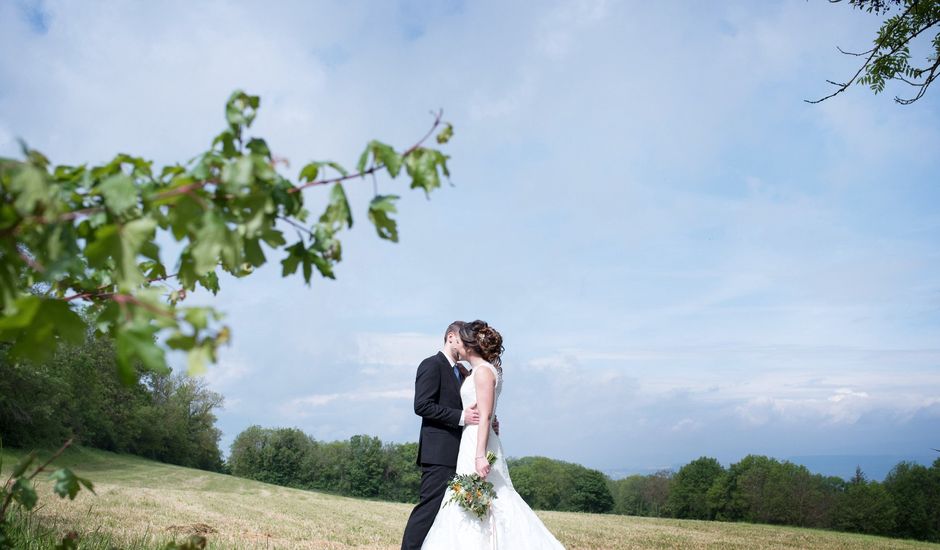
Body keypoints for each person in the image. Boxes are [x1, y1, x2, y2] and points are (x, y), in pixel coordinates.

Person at [421, 320, 565, 549]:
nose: (456, 346)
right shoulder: (474, 371)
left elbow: (486, 415)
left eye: (459, 342)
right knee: (467, 501)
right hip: (469, 439)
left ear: (469, 345)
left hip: (478, 442)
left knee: (491, 500)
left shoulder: (483, 373)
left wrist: (480, 455)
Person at [401, 321, 484, 550]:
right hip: (438, 453)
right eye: (464, 339)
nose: (468, 344)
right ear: (450, 337)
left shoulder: (462, 372)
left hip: (461, 451)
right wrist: (461, 417)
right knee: (429, 508)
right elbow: (422, 405)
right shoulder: (431, 365)